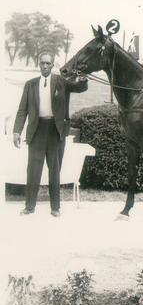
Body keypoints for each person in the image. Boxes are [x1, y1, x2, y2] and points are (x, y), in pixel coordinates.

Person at [13, 53, 89, 217]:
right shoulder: (30, 85)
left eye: (48, 63)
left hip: (55, 131)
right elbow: (22, 110)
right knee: (33, 170)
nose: (45, 66)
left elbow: (79, 87)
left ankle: (55, 208)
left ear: (53, 65)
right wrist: (17, 131)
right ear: (39, 65)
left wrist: (83, 78)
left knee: (55, 170)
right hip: (36, 130)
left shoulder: (61, 82)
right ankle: (29, 207)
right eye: (42, 63)